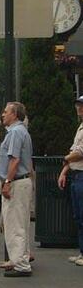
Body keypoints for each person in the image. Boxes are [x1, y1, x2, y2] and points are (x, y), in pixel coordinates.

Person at [0, 102, 34, 277]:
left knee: (14, 224)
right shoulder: (22, 131)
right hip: (23, 181)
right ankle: (20, 257)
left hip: (16, 182)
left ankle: (20, 264)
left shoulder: (14, 133)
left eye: (6, 112)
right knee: (21, 222)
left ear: (14, 114)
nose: (3, 114)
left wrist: (7, 181)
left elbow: (14, 160)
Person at [58, 95, 83, 267]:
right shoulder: (80, 128)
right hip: (76, 174)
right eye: (78, 105)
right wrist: (65, 171)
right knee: (78, 216)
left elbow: (80, 152)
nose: (79, 109)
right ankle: (81, 251)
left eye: (81, 106)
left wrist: (66, 159)